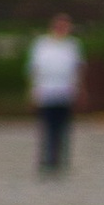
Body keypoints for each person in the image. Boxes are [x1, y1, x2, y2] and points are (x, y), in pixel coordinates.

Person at [29, 10, 83, 173]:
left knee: (63, 128)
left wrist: (79, 89)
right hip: (46, 91)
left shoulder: (72, 46)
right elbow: (35, 69)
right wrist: (33, 89)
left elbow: (77, 69)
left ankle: (60, 160)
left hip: (65, 91)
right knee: (47, 127)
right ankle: (47, 160)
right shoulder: (42, 45)